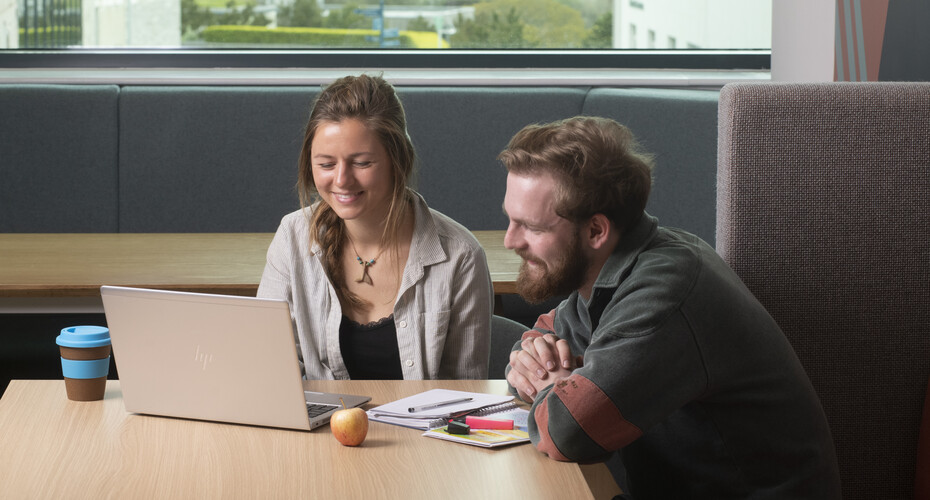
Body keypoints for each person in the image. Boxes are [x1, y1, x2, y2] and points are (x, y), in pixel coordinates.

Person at [499, 116, 842, 498]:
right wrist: (539, 365)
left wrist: (552, 392)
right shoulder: (616, 271)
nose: (511, 240)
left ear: (596, 231)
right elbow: (546, 336)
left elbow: (569, 433)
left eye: (532, 227)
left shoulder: (666, 292)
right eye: (510, 221)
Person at [258, 74, 492, 380]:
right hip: (316, 427)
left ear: (398, 160)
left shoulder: (461, 256)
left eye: (362, 163)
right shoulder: (292, 236)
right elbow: (268, 367)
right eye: (326, 164)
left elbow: (464, 394)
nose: (341, 180)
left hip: (419, 428)